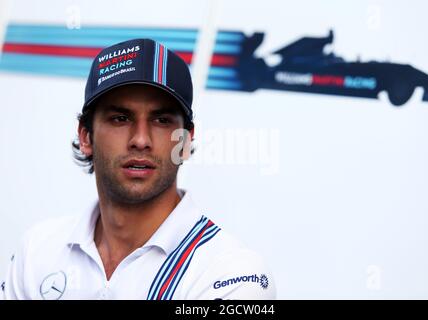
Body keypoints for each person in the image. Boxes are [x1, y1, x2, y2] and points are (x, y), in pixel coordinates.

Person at [2, 38, 276, 300]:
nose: (141, 140)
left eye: (161, 119)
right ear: (86, 136)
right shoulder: (38, 250)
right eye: (120, 118)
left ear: (185, 140)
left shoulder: (233, 273)